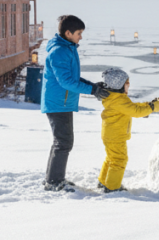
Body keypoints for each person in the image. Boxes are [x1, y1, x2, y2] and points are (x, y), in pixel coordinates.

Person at [40, 15, 110, 192]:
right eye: (79, 33)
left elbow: (73, 78)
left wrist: (93, 86)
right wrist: (92, 90)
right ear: (68, 33)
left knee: (62, 142)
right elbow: (66, 82)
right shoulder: (59, 52)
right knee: (63, 142)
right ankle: (53, 182)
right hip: (58, 103)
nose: (81, 37)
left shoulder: (67, 49)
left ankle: (53, 179)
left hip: (62, 102)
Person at [97, 68, 159, 193]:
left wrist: (148, 105)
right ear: (118, 85)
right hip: (116, 136)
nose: (129, 85)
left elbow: (132, 107)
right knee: (119, 160)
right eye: (127, 83)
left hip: (111, 134)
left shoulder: (115, 97)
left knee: (111, 158)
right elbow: (136, 111)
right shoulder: (119, 100)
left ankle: (104, 181)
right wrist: (153, 107)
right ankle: (112, 187)